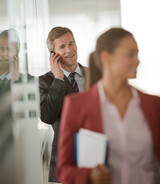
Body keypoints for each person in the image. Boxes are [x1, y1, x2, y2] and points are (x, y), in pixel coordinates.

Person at [56, 27, 160, 184]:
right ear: (106, 58)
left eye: (137, 54)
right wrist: (89, 176)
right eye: (131, 54)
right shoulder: (76, 105)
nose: (137, 61)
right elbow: (63, 169)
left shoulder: (153, 104)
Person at [39, 26, 87, 183]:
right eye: (62, 46)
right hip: (64, 157)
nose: (69, 50)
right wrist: (58, 80)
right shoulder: (44, 81)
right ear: (53, 55)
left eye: (71, 43)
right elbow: (47, 116)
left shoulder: (94, 73)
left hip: (97, 155)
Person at [0, 29, 34, 96]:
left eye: (9, 49)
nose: (4, 54)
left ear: (16, 54)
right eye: (1, 48)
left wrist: (16, 80)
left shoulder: (28, 80)